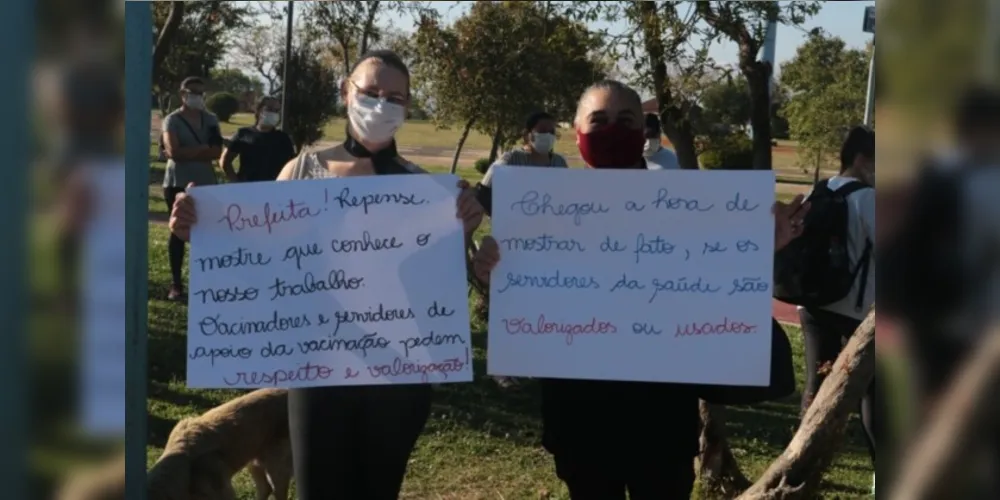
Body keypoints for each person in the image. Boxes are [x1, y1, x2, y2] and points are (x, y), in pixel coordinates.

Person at [471, 79, 809, 499]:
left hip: (662, 422)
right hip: (580, 421)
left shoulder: (687, 210)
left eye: (625, 120)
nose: (612, 129)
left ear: (643, 129)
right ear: (577, 133)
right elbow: (524, 299)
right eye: (599, 121)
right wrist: (493, 271)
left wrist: (759, 248)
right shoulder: (540, 216)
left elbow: (721, 285)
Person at [168, 50, 484, 499]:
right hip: (319, 374)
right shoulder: (301, 172)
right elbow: (260, 258)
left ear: (408, 108)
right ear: (345, 92)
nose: (382, 105)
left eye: (395, 97)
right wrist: (201, 229)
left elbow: (447, 286)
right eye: (371, 93)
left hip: (399, 379)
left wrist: (463, 231)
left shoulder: (427, 192)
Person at [797, 126, 876, 484]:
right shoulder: (869, 199)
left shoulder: (820, 190)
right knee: (872, 391)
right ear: (861, 159)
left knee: (816, 385)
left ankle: (800, 467)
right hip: (855, 309)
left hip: (812, 303)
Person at [161, 76, 223, 300]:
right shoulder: (172, 120)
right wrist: (202, 149)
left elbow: (217, 151)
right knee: (178, 230)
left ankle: (205, 282)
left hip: (205, 181)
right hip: (177, 181)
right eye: (192, 92)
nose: (197, 96)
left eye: (200, 92)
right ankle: (176, 284)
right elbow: (173, 152)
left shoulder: (211, 119)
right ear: (183, 94)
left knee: (206, 233)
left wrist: (190, 151)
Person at [477, 111, 569, 215]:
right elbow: (483, 192)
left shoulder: (560, 163)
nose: (548, 135)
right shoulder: (511, 160)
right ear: (527, 135)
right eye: (542, 131)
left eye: (551, 132)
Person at [220, 96, 296, 183]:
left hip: (275, 189)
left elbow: (291, 165)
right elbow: (225, 161)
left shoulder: (283, 138)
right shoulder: (243, 134)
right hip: (248, 188)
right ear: (259, 110)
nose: (273, 113)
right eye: (269, 109)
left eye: (276, 111)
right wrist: (236, 182)